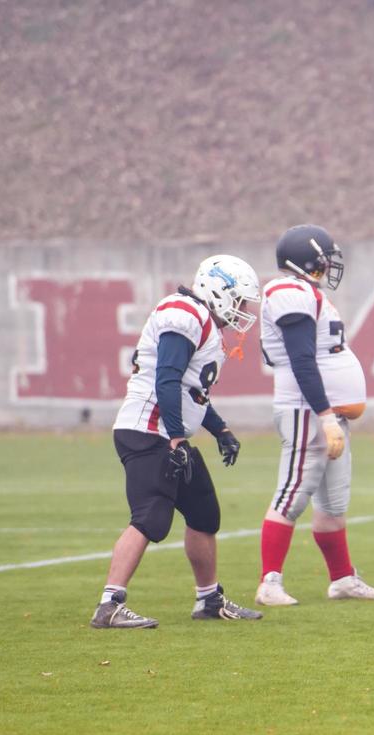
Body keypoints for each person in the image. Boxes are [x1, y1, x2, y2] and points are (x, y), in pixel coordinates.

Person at [91, 255, 264, 628]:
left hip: (164, 431)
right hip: (148, 431)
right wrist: (176, 439)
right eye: (238, 300)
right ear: (218, 290)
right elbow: (166, 380)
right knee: (151, 516)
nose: (242, 310)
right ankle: (109, 604)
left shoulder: (202, 323)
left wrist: (220, 430)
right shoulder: (183, 312)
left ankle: (208, 600)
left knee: (204, 513)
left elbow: (192, 392)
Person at [253, 224, 374, 605]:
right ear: (309, 258)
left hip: (325, 412)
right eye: (325, 255)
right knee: (292, 495)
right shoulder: (288, 291)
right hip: (307, 411)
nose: (330, 262)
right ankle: (269, 582)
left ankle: (343, 579)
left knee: (333, 504)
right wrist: (325, 415)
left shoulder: (307, 293)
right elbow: (301, 359)